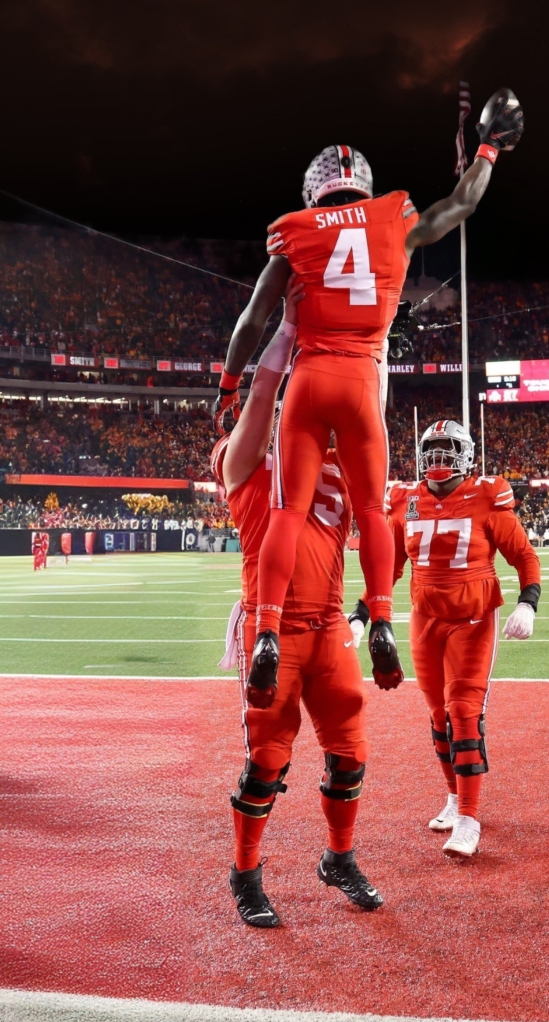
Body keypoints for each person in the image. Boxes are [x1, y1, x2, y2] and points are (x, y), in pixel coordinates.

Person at [213, 94, 525, 706]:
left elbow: (253, 321)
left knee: (285, 514)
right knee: (372, 513)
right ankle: (381, 618)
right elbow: (462, 202)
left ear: (314, 190)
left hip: (308, 380)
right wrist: (489, 147)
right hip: (362, 381)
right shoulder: (394, 216)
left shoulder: (293, 230)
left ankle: (268, 633)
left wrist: (227, 384)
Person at [213, 277, 382, 929]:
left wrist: (370, 343)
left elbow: (364, 398)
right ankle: (246, 873)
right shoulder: (244, 463)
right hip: (273, 629)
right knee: (267, 762)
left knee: (351, 755)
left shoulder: (337, 462)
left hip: (332, 628)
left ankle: (339, 857)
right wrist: (287, 329)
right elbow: (260, 396)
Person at [350, 421, 541, 857]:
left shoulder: (488, 495)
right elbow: (389, 568)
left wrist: (527, 603)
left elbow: (524, 556)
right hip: (426, 618)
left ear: (466, 454)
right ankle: (455, 797)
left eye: (446, 449)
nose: (437, 458)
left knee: (464, 712)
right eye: (431, 450)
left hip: (473, 618)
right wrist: (362, 614)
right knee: (439, 715)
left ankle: (471, 819)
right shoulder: (405, 500)